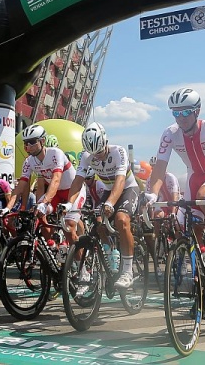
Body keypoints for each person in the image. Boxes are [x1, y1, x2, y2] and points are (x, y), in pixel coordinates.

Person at [144, 88, 205, 279]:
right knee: (185, 222)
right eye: (176, 113)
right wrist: (152, 194)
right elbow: (160, 168)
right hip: (194, 176)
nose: (181, 118)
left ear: (197, 111)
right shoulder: (170, 133)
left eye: (186, 112)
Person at [65, 122, 139, 288]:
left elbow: (120, 181)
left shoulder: (118, 151)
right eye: (93, 154)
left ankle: (127, 271)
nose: (96, 156)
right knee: (99, 226)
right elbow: (77, 182)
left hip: (127, 188)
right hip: (107, 190)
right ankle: (109, 258)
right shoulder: (86, 156)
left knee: (121, 220)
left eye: (99, 152)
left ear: (105, 141)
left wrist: (110, 203)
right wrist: (69, 204)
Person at [7, 124, 85, 247]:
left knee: (69, 225)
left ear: (42, 141)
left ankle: (80, 263)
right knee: (38, 217)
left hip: (73, 191)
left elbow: (56, 180)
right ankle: (53, 247)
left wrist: (44, 202)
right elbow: (22, 186)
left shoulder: (55, 153)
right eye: (26, 143)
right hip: (57, 193)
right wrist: (9, 207)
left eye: (32, 142)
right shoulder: (29, 161)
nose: (28, 146)